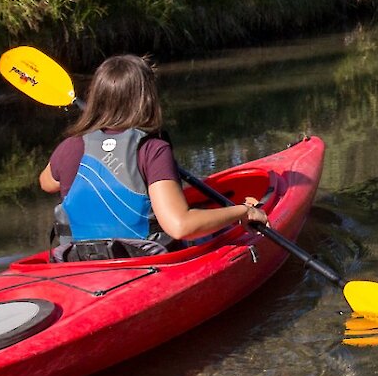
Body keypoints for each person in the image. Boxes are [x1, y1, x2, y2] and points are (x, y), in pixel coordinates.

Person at [37, 54, 267, 257]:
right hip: (146, 260)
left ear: (97, 97)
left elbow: (47, 183)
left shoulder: (69, 146)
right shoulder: (152, 149)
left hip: (79, 260)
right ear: (146, 98)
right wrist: (242, 211)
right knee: (223, 229)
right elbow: (180, 226)